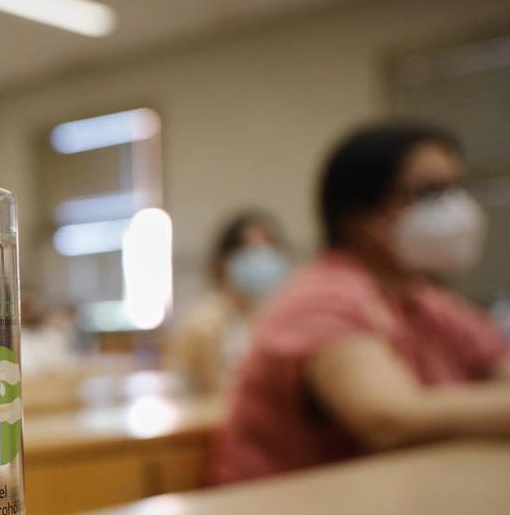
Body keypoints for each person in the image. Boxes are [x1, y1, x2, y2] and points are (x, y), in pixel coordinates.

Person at [212, 121, 510, 484]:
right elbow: (390, 419)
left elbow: (498, 365)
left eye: (455, 189)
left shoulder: (424, 298)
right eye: (430, 193)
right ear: (363, 213)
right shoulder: (321, 300)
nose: (454, 209)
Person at [168, 211, 291, 395]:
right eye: (253, 249)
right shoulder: (204, 323)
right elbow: (216, 393)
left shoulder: (265, 316)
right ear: (224, 260)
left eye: (270, 247)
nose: (263, 258)